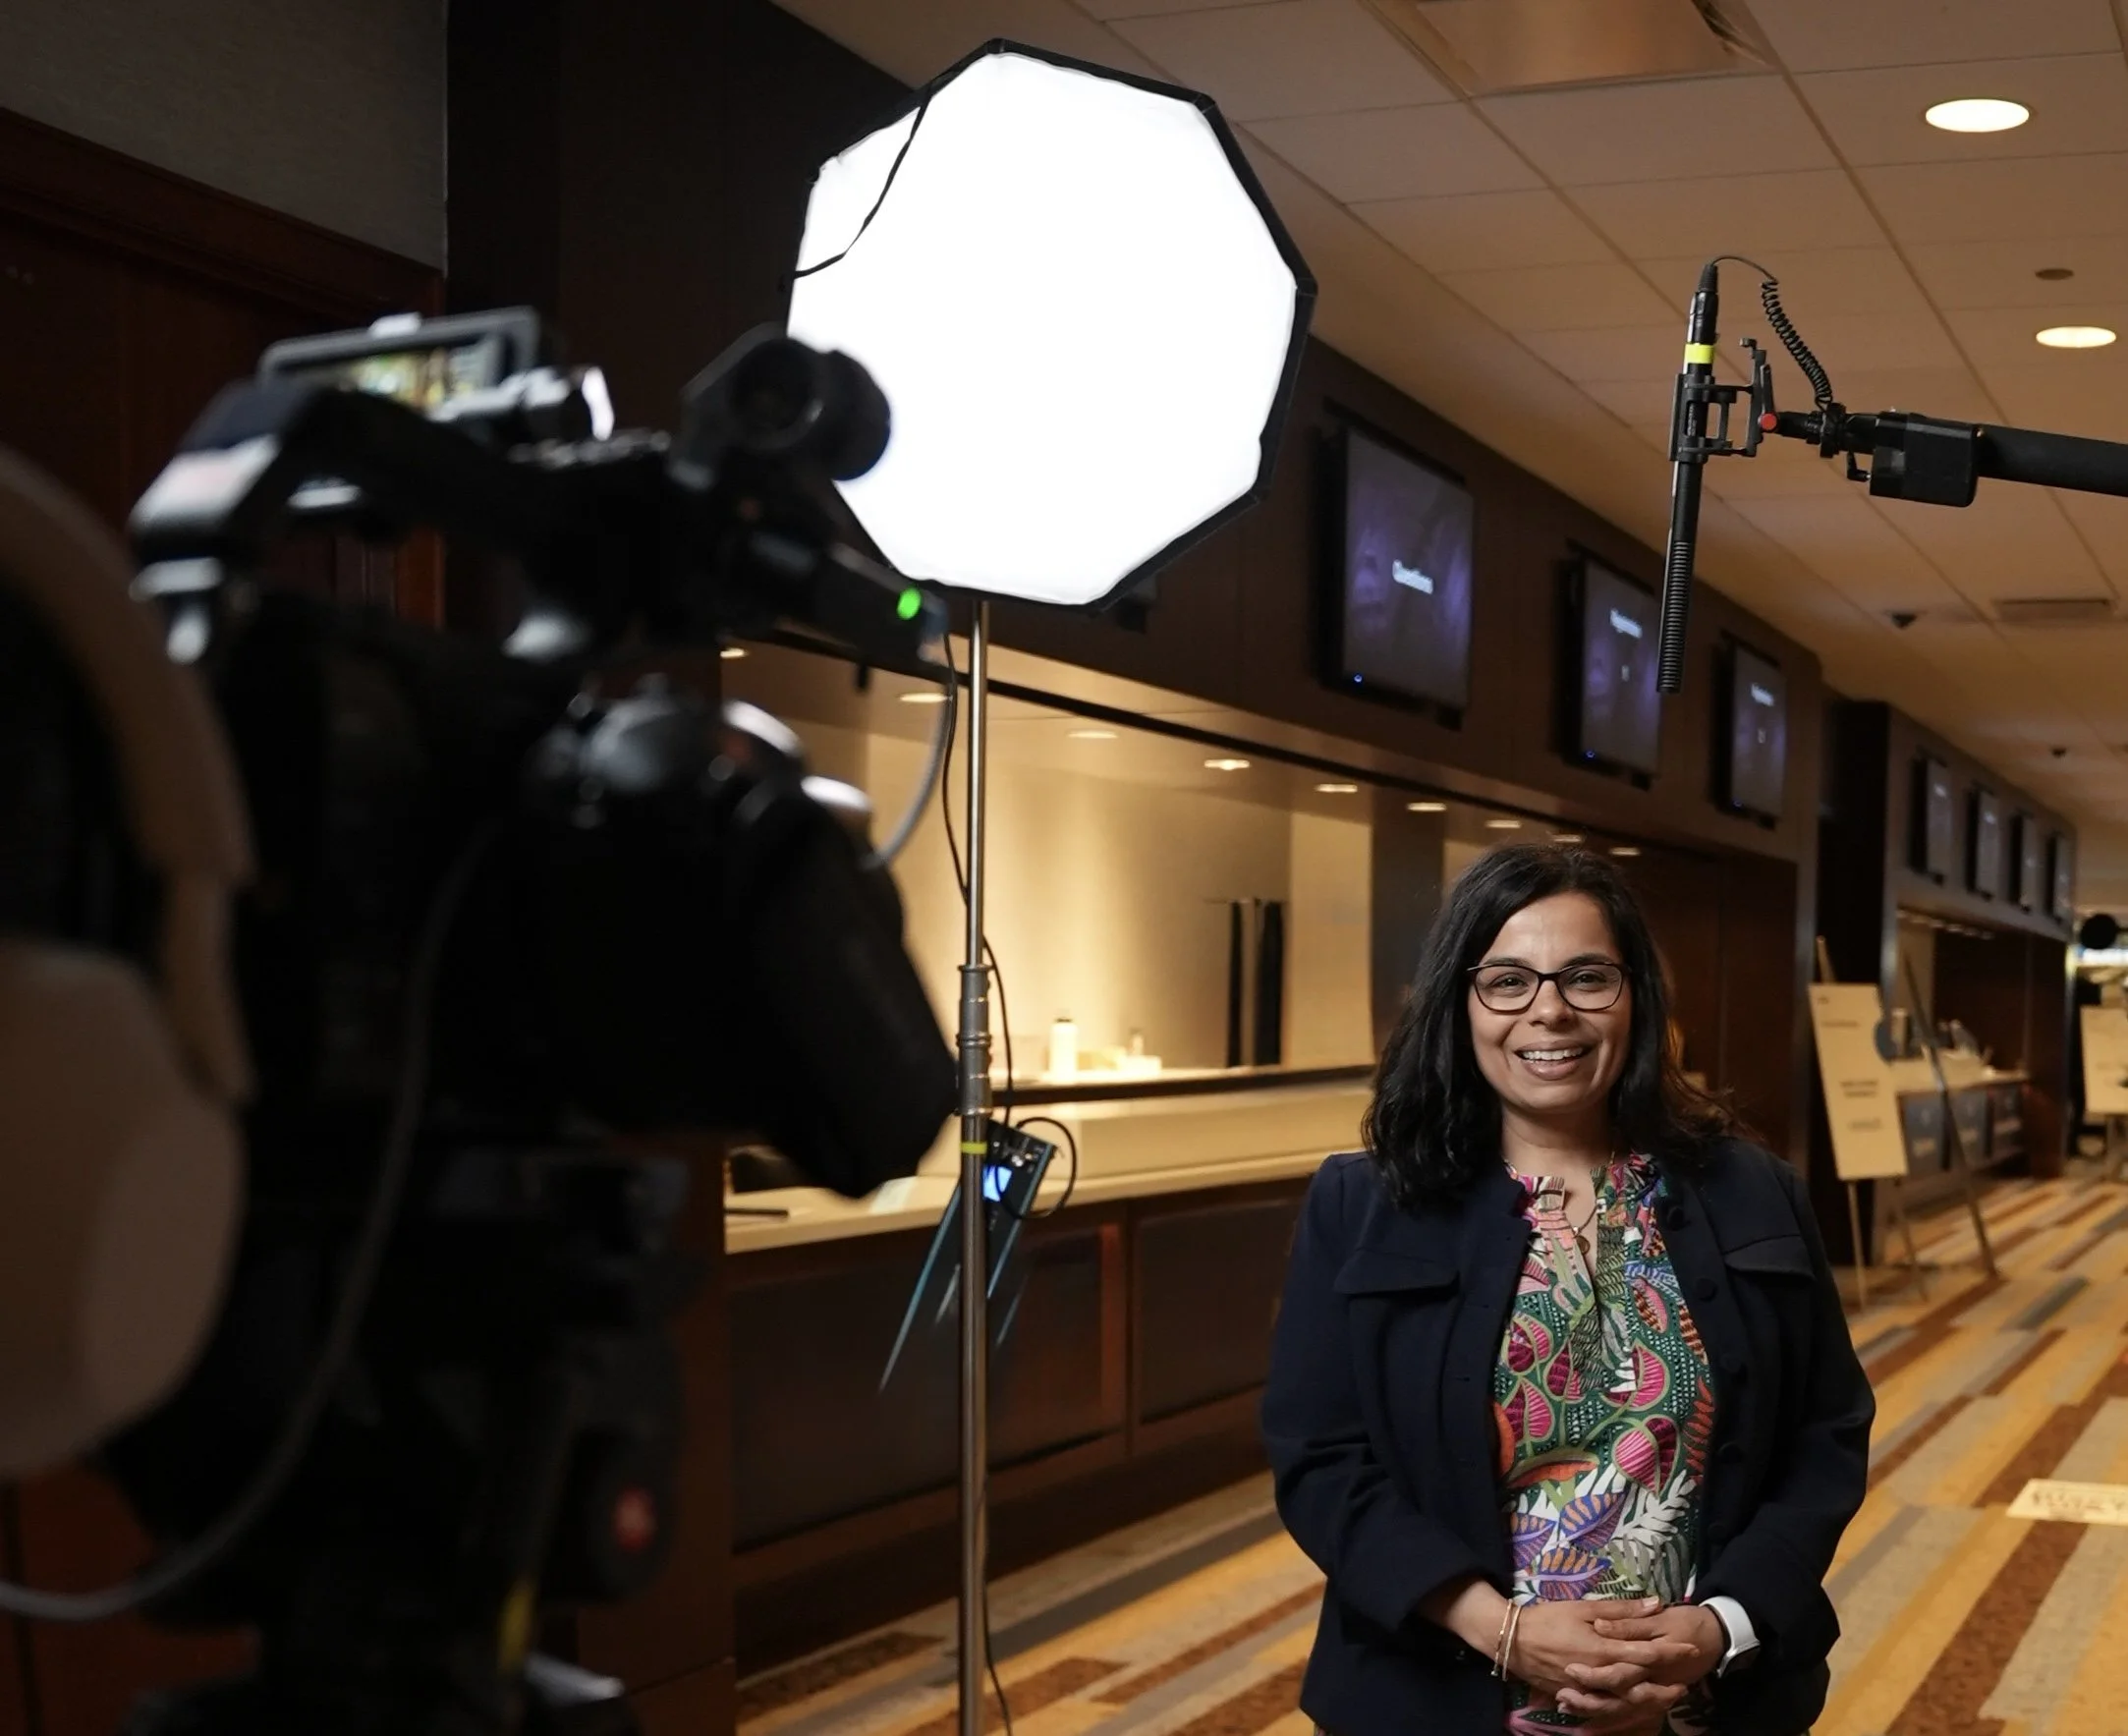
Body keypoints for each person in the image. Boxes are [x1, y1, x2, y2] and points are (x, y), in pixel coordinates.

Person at [1262, 844, 1871, 1735]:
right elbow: (1320, 1456)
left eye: (1587, 976)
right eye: (1507, 979)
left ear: (1635, 997)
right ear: (1459, 1002)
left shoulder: (1751, 1190)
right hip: (1434, 1694)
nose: (1548, 1009)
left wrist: (1718, 1629)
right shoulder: (1366, 1202)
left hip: (1705, 1699)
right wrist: (1498, 1628)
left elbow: (1825, 1434)